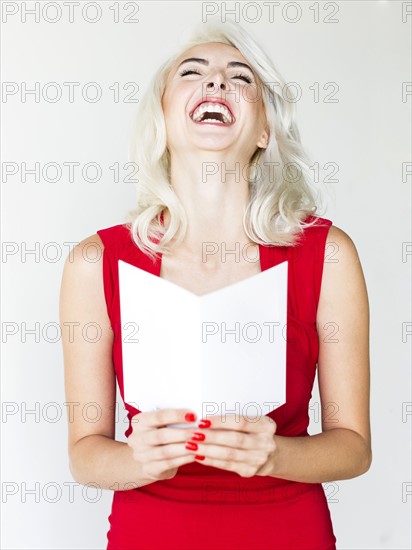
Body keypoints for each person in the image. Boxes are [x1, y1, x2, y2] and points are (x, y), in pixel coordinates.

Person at [59, 19, 371, 550]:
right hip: (151, 530)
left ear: (264, 130)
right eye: (193, 72)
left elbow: (354, 448)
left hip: (286, 528)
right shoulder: (95, 263)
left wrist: (279, 456)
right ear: (162, 114)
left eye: (240, 77)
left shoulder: (329, 255)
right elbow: (85, 456)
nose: (217, 83)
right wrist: (136, 459)